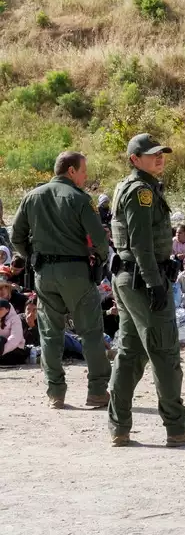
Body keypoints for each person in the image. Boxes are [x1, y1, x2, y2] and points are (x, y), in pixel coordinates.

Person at [103, 135, 185, 447]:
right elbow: (141, 243)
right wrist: (156, 283)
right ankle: (176, 428)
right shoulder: (142, 191)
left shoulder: (130, 186)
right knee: (165, 353)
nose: (160, 158)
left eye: (162, 153)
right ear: (135, 159)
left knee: (130, 354)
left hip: (128, 279)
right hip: (143, 279)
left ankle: (119, 427)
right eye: (152, 154)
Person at [10, 151, 112, 410]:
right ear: (70, 171)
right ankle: (97, 391)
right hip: (76, 272)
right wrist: (99, 258)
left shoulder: (32, 196)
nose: (86, 176)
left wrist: (31, 255)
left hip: (44, 274)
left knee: (50, 334)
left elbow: (17, 236)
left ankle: (56, 392)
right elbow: (99, 239)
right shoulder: (80, 199)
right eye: (83, 171)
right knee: (90, 332)